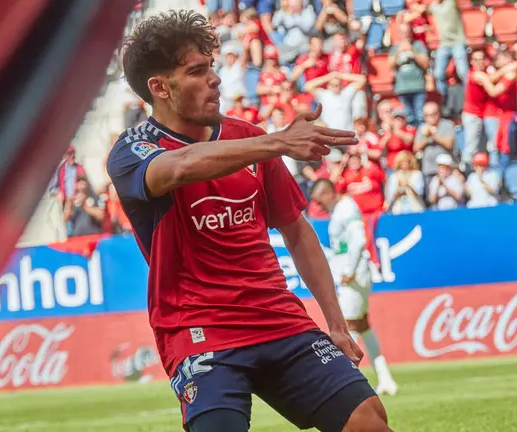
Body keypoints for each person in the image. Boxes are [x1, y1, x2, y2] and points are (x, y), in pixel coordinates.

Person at [111, 11, 390, 432]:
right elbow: (179, 167)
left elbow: (296, 230)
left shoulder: (249, 138)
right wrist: (277, 140)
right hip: (199, 330)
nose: (216, 79)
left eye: (213, 67)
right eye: (198, 71)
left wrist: (335, 321)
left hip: (278, 317)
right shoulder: (132, 151)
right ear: (159, 87)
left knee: (367, 419)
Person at [310, 179, 398, 396]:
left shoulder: (347, 208)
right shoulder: (339, 211)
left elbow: (359, 240)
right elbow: (343, 247)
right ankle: (385, 379)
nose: (317, 204)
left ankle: (345, 382)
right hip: (351, 274)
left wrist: (349, 269)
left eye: (318, 198)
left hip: (355, 275)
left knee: (347, 326)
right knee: (362, 325)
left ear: (328, 193)